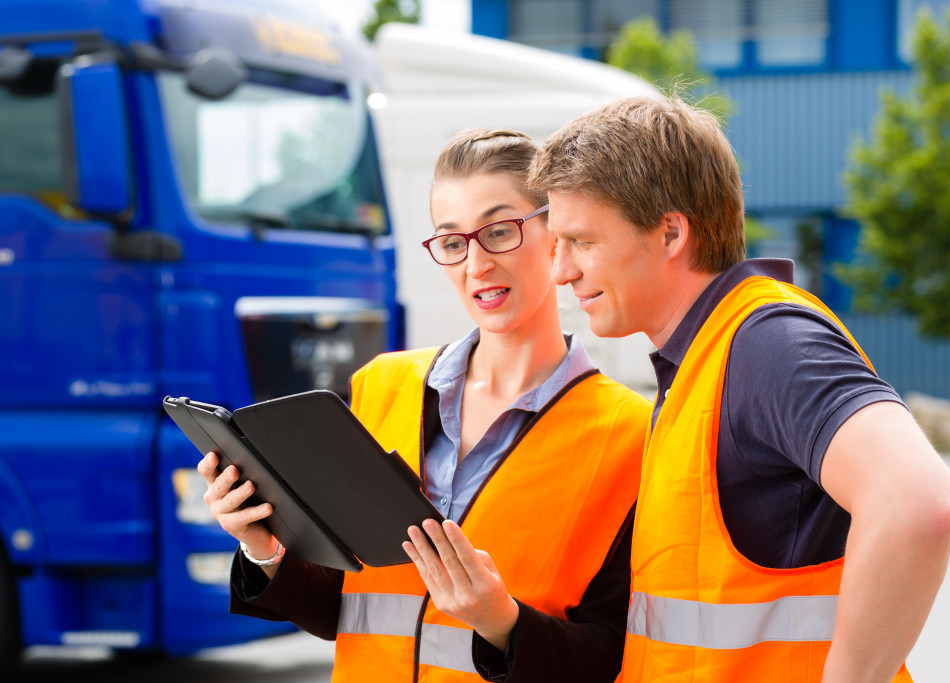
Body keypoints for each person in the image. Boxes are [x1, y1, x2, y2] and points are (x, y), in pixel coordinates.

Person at [528, 95, 950, 683]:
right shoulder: (705, 357)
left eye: (582, 241)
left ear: (670, 233)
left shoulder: (767, 345)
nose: (561, 270)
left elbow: (919, 503)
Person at [198, 129, 650, 682]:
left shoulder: (631, 436)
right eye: (453, 242)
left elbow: (611, 658)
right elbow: (343, 606)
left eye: (500, 231)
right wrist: (263, 547)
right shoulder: (381, 386)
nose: (475, 264)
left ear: (555, 234)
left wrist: (502, 622)